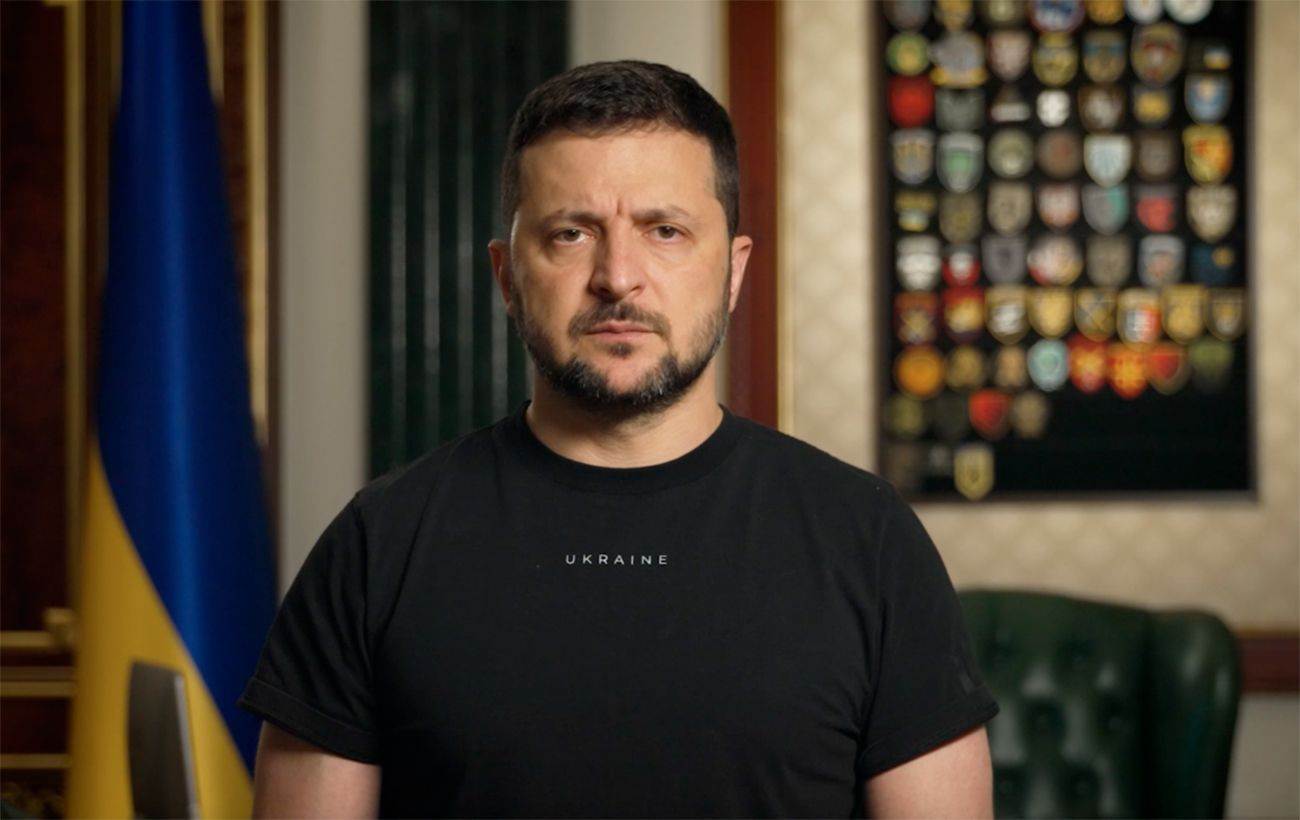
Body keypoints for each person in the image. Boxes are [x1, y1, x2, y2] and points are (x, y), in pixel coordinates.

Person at [239, 60, 997, 818]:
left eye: (665, 231)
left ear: (733, 272)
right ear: (507, 278)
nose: (618, 277)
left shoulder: (868, 540)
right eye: (571, 234)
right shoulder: (377, 546)